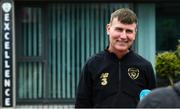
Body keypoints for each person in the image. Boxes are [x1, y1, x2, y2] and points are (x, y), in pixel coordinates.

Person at [75, 8, 156, 108]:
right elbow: (82, 104)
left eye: (129, 31)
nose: (123, 36)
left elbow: (153, 104)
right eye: (119, 29)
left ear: (135, 34)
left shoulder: (145, 67)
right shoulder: (92, 65)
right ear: (108, 29)